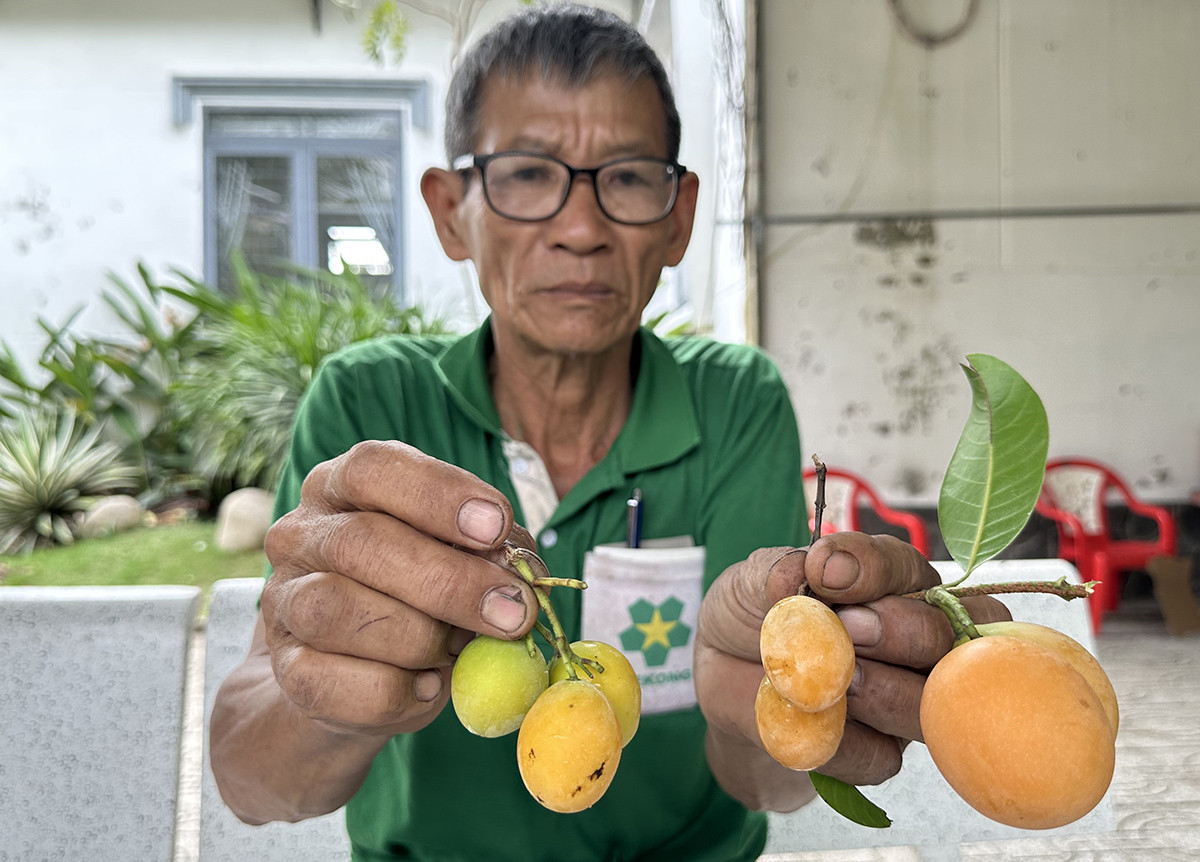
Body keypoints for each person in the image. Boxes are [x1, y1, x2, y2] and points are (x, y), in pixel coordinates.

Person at [209, 4, 1007, 860]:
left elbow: (772, 784)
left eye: (627, 178)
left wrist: (767, 715)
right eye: (524, 174)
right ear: (449, 211)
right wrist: (327, 695)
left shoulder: (736, 404)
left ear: (678, 217)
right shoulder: (371, 409)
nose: (582, 230)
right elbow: (252, 785)